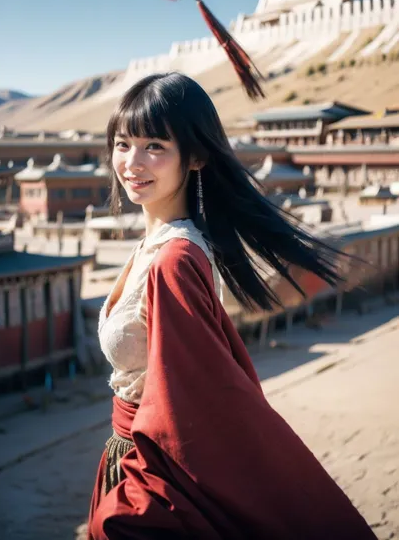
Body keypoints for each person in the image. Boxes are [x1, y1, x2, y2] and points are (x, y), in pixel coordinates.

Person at [87, 72, 374, 539]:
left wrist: (129, 502)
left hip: (149, 470)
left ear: (196, 156)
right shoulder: (156, 246)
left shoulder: (175, 260)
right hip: (126, 455)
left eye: (154, 146)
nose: (132, 162)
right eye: (123, 144)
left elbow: (190, 407)